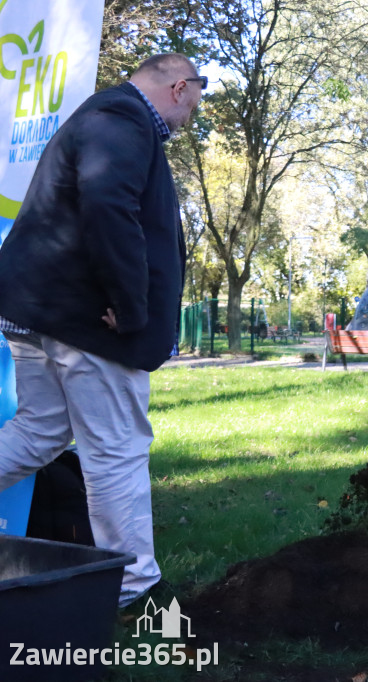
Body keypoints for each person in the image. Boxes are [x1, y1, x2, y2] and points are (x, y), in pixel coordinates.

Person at [0, 53, 205, 606]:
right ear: (180, 87)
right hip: (85, 319)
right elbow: (109, 207)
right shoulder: (122, 120)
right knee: (116, 447)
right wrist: (131, 306)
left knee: (40, 431)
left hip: (38, 307)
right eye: (196, 99)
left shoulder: (105, 117)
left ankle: (127, 581)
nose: (192, 113)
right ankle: (134, 588)